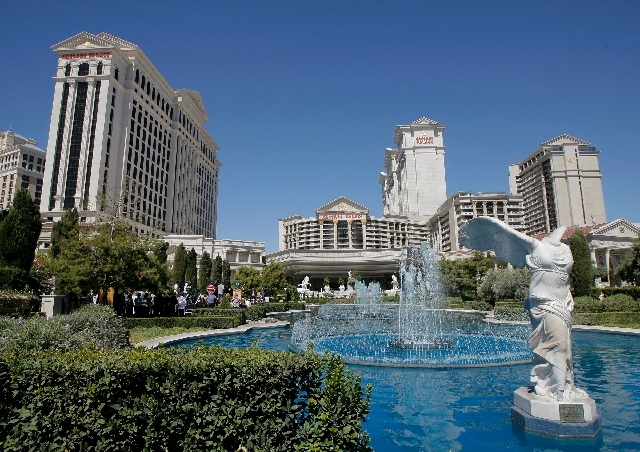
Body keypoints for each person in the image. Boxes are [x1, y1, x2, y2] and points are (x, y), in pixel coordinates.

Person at [459, 217, 589, 402]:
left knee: (564, 347)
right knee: (558, 345)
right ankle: (560, 392)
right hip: (543, 302)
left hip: (563, 302)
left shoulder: (563, 248)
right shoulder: (536, 246)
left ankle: (561, 385)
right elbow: (504, 231)